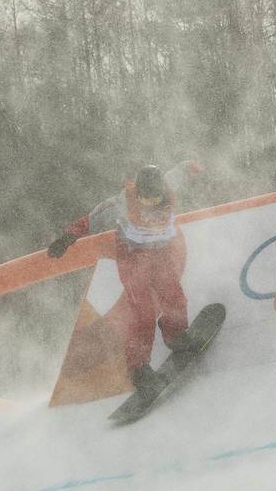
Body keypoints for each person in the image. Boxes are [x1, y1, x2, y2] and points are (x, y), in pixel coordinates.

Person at [47, 161, 205, 389]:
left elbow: (184, 170)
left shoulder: (169, 186)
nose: (150, 203)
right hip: (133, 259)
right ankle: (138, 369)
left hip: (160, 253)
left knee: (174, 296)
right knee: (143, 314)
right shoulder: (121, 203)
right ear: (138, 193)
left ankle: (175, 335)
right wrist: (66, 239)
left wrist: (196, 167)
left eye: (155, 198)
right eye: (145, 198)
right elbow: (90, 219)